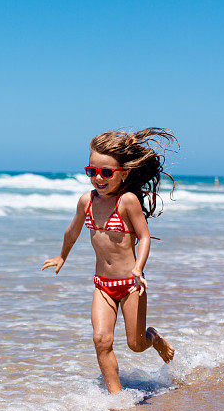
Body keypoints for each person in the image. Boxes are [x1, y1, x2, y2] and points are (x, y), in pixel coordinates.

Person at [42, 128, 176, 393]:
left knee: (135, 345)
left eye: (106, 173)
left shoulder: (127, 201)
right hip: (102, 285)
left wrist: (139, 268)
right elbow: (72, 231)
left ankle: (155, 338)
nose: (98, 179)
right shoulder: (86, 202)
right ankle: (117, 399)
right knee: (101, 339)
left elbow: (144, 237)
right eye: (92, 172)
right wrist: (61, 256)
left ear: (123, 173)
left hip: (131, 285)